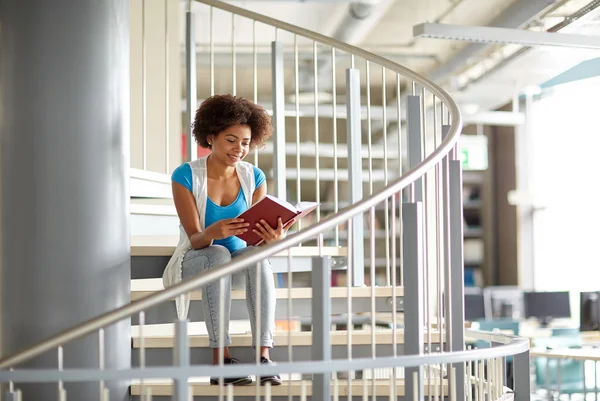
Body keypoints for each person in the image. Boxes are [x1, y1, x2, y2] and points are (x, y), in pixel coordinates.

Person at [162, 94, 286, 386]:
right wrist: (213, 232)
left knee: (258, 257)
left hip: (237, 261)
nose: (239, 149)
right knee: (217, 253)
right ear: (210, 137)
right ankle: (221, 358)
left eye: (245, 142)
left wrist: (271, 239)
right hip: (198, 258)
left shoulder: (253, 176)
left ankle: (263, 357)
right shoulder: (186, 176)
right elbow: (195, 240)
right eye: (231, 140)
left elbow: (255, 238)